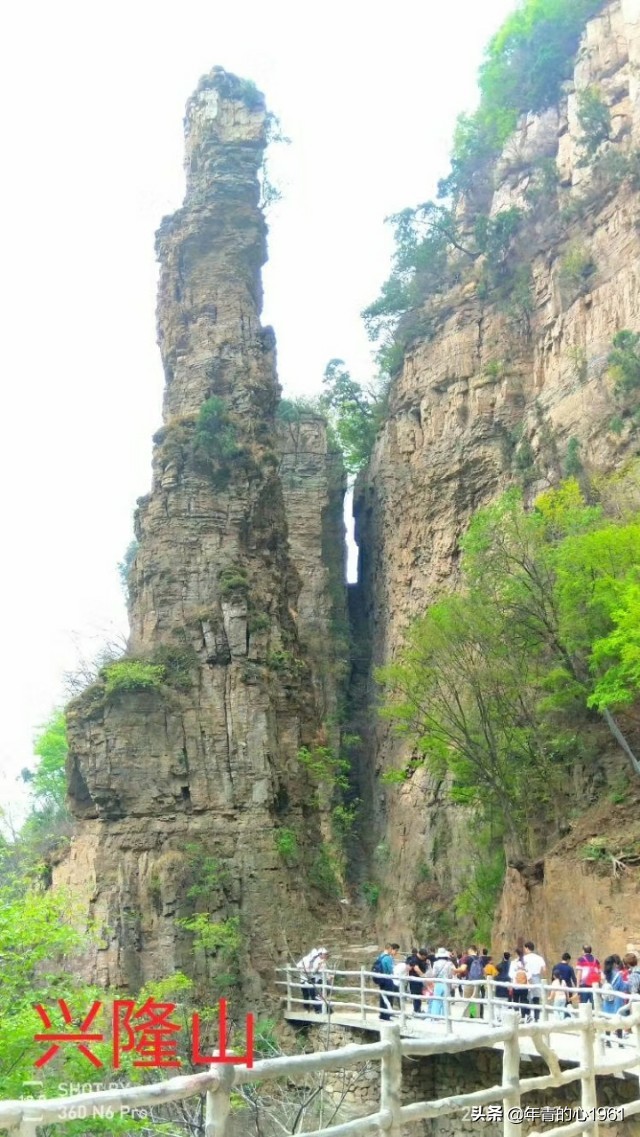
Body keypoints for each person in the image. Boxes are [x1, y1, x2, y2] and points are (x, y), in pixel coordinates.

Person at [601, 954, 629, 1045]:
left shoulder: (604, 974)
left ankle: (608, 1041)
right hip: (617, 1000)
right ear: (613, 964)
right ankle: (620, 1042)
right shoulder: (617, 974)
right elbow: (622, 987)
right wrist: (628, 983)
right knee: (618, 1020)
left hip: (606, 1001)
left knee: (608, 1020)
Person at [372, 943, 400, 1021]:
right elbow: (390, 970)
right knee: (388, 997)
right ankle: (386, 1016)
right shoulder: (388, 958)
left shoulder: (380, 956)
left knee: (383, 997)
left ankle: (382, 1014)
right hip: (387, 979)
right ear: (389, 949)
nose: (392, 951)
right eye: (391, 949)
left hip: (381, 979)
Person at [296, 948, 329, 1012]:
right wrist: (305, 969)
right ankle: (306, 1008)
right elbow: (298, 966)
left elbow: (315, 970)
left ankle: (317, 1009)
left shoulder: (316, 961)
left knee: (313, 994)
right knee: (305, 994)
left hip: (311, 979)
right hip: (303, 979)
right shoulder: (305, 959)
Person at [523, 941, 546, 1021]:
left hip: (527, 978)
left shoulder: (524, 958)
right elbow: (544, 969)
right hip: (536, 978)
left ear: (527, 948)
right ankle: (537, 1017)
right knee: (536, 998)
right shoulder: (539, 958)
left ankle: (528, 1015)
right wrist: (538, 971)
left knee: (527, 998)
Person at [429, 948, 455, 1018]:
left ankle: (435, 1016)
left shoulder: (435, 963)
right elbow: (451, 974)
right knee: (446, 1001)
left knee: (437, 1000)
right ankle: (445, 1016)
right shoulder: (450, 963)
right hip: (447, 983)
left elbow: (434, 974)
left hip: (438, 983)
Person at [405, 947, 429, 1015]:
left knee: (419, 995)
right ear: (422, 955)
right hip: (414, 980)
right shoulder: (414, 959)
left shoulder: (422, 959)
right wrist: (424, 976)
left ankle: (418, 1009)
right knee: (416, 995)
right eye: (424, 957)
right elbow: (416, 969)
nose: (425, 958)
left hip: (419, 980)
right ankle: (416, 1010)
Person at [509, 951, 529, 1019]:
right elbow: (529, 975)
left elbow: (511, 976)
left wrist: (511, 986)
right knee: (523, 1001)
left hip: (516, 985)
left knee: (515, 1001)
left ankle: (517, 1016)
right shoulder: (526, 962)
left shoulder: (513, 962)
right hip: (524, 986)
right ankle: (523, 1016)